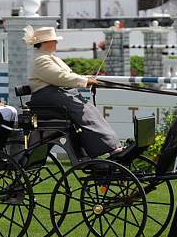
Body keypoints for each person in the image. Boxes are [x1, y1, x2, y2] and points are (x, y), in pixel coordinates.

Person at [25, 25, 123, 158]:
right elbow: (61, 77)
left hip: (57, 94)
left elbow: (66, 75)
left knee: (88, 108)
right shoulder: (41, 60)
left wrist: (85, 78)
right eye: (54, 40)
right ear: (44, 42)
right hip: (48, 96)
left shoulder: (48, 57)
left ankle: (111, 145)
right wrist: (85, 81)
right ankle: (111, 147)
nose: (56, 42)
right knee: (82, 110)